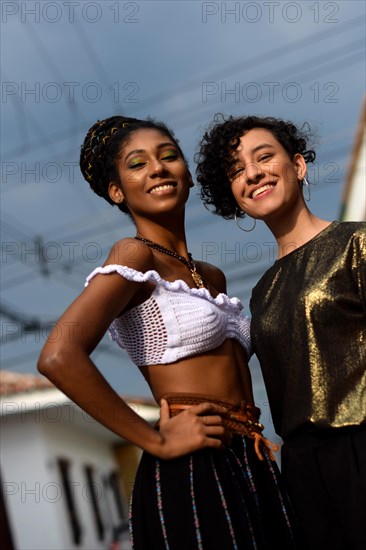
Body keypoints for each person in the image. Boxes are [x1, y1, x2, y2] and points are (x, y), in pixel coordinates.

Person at [38, 115, 303, 550]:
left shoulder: (211, 276)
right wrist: (155, 441)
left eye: (168, 156)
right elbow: (58, 354)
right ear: (116, 192)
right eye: (137, 164)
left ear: (187, 172)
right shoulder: (134, 255)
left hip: (251, 459)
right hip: (193, 464)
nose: (158, 169)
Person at [196, 113, 366, 550]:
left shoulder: (357, 244)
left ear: (298, 166)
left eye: (264, 157)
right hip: (303, 472)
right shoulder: (260, 293)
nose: (252, 173)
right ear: (233, 195)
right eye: (236, 170)